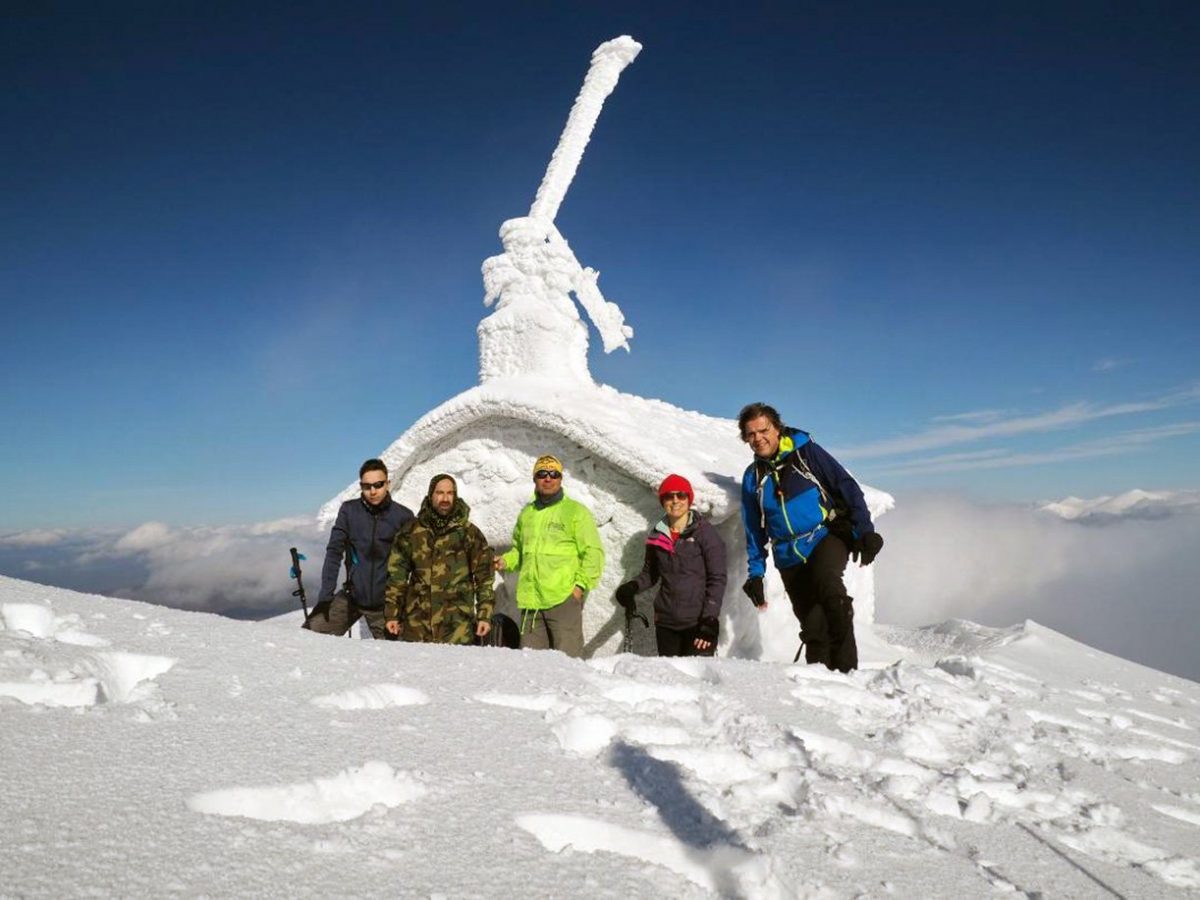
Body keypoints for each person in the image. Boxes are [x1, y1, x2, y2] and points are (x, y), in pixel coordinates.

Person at [738, 403, 883, 672]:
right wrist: (755, 574)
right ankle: (821, 681)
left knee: (830, 589)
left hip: (824, 536)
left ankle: (848, 672)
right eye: (751, 434)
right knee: (813, 626)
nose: (758, 438)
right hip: (787, 555)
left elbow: (845, 485)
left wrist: (865, 531)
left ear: (777, 428)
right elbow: (753, 529)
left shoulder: (806, 454)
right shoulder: (753, 477)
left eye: (763, 430)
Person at [493, 455, 604, 657]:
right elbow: (519, 550)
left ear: (560, 478)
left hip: (563, 599)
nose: (548, 478)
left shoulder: (575, 512)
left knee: (567, 661)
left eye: (554, 474)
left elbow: (593, 552)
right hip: (531, 603)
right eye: (542, 473)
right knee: (533, 664)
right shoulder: (527, 514)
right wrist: (505, 561)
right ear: (534, 478)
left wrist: (579, 588)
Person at [615, 474, 727, 657]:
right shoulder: (657, 535)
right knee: (670, 674)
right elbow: (651, 573)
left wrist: (710, 619)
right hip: (666, 623)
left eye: (681, 495)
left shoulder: (705, 534)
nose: (675, 501)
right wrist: (632, 587)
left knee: (695, 675)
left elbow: (717, 579)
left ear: (688, 499)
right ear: (663, 501)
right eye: (669, 496)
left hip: (698, 624)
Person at [306, 458, 414, 639]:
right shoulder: (349, 511)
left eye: (378, 485)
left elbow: (413, 563)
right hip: (351, 598)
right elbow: (334, 553)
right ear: (361, 486)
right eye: (366, 486)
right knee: (308, 636)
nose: (373, 491)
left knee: (398, 652)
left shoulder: (403, 516)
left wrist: (401, 607)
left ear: (388, 484)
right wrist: (325, 597)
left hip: (386, 605)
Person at [383, 474, 495, 645]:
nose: (445, 498)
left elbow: (484, 578)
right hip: (417, 629)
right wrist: (392, 614)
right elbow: (397, 576)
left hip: (458, 630)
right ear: (431, 495)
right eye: (440, 493)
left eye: (450, 493)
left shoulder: (469, 533)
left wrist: (484, 616)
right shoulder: (411, 531)